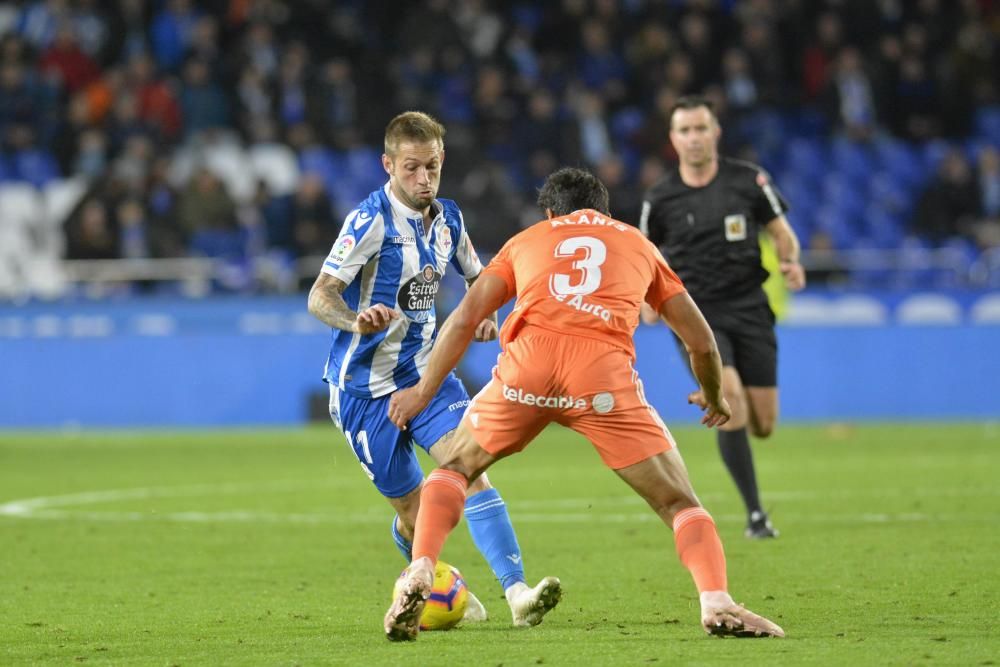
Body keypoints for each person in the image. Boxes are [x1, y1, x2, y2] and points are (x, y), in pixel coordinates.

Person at [384, 167, 784, 642]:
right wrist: (714, 396)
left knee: (454, 467)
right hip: (599, 378)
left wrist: (423, 392)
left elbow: (468, 316)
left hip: (526, 371)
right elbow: (700, 340)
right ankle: (716, 601)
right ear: (604, 210)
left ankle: (422, 567)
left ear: (551, 212)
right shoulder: (637, 243)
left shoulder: (527, 239)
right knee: (678, 502)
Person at [306, 110, 557, 627]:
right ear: (389, 166)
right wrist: (357, 320)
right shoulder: (368, 221)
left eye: (433, 168)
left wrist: (483, 312)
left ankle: (518, 595)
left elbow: (480, 277)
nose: (424, 180)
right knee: (415, 513)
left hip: (428, 375)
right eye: (413, 169)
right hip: (363, 392)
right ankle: (440, 586)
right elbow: (319, 295)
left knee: (470, 472)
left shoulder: (450, 219)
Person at [638, 95, 806, 539]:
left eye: (701, 128)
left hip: (750, 306)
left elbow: (781, 232)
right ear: (673, 140)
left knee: (764, 422)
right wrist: (646, 301)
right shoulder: (661, 197)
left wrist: (789, 262)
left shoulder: (749, 181)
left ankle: (753, 495)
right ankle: (756, 515)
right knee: (729, 399)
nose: (694, 138)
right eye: (685, 131)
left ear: (716, 132)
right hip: (695, 313)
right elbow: (643, 255)